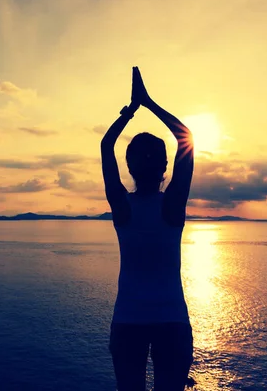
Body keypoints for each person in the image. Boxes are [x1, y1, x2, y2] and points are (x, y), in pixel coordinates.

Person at [100, 67, 195, 391]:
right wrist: (149, 102)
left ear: (129, 167)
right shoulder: (172, 208)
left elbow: (105, 145)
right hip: (173, 322)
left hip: (128, 321)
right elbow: (186, 136)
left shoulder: (123, 209)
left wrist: (130, 112)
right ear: (165, 167)